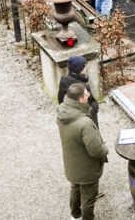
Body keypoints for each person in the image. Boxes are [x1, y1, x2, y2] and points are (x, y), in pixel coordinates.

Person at [57, 82, 108, 220]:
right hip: (87, 169)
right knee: (88, 198)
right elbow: (96, 150)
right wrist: (105, 149)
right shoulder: (85, 123)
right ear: (80, 99)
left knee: (75, 186)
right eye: (86, 94)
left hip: (72, 163)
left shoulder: (62, 111)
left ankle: (75, 215)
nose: (89, 96)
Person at [57, 55, 99, 124]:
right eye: (84, 66)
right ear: (79, 69)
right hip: (85, 120)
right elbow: (90, 102)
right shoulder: (80, 86)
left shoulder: (64, 81)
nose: (85, 68)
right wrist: (94, 108)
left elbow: (60, 100)